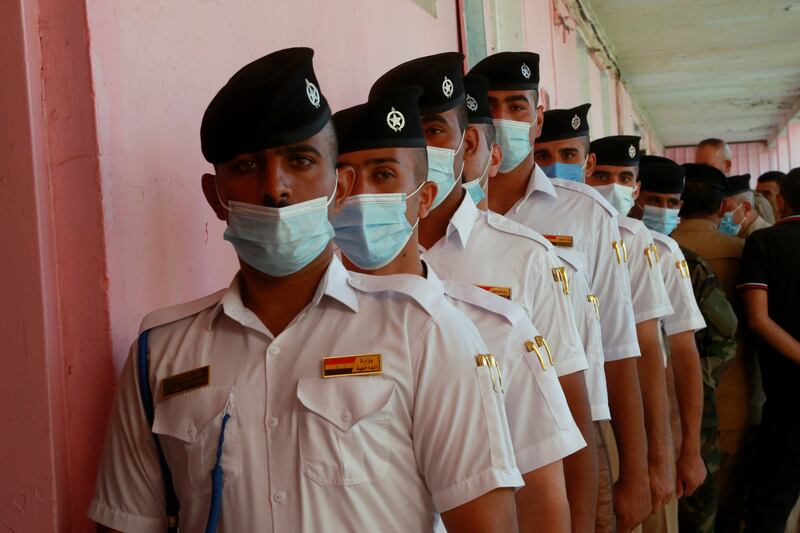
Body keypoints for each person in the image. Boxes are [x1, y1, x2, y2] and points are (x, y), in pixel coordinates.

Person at [88, 48, 523, 533]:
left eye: (300, 160)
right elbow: (126, 522)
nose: (276, 187)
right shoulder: (161, 351)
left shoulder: (422, 332)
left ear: (339, 188)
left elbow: (487, 523)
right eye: (248, 165)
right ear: (216, 197)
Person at [332, 82, 585, 532]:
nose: (362, 198)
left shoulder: (495, 328)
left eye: (384, 176)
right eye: (343, 181)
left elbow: (543, 499)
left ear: (422, 196)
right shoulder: (296, 334)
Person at [471, 51, 649, 533]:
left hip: (575, 437)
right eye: (491, 107)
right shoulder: (444, 215)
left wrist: (636, 471)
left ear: (537, 116)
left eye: (517, 106)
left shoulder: (588, 215)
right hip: (474, 444)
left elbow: (619, 346)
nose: (505, 120)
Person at [633, 155, 724, 533]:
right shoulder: (608, 248)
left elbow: (689, 352)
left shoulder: (674, 257)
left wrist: (689, 446)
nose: (664, 211)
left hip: (666, 420)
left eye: (673, 203)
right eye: (656, 200)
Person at [671, 163, 760, 533]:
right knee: (731, 506)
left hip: (670, 405)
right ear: (724, 207)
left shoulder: (654, 248)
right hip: (737, 401)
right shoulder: (743, 251)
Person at [740, 168, 800, 533]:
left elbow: (758, 319)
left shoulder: (764, 243)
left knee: (771, 504)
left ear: (779, 200)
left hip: (788, 397)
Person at [695, 138, 775, 225]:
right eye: (697, 167)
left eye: (707, 167)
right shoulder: (696, 199)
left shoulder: (755, 201)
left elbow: (769, 235)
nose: (700, 172)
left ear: (727, 165)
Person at [722, 174, 772, 239]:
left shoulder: (767, 239)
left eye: (725, 208)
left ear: (746, 208)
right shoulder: (739, 238)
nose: (719, 215)